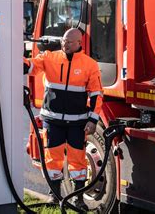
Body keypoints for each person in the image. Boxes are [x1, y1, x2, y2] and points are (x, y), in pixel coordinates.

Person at [24, 28, 103, 209]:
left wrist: (93, 120)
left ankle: (78, 199)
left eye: (69, 42)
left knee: (78, 160)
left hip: (77, 122)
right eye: (63, 41)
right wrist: (13, 54)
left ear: (79, 44)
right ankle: (55, 196)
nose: (64, 44)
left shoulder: (89, 64)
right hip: (53, 120)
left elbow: (97, 94)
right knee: (53, 159)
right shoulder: (49, 57)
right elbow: (31, 66)